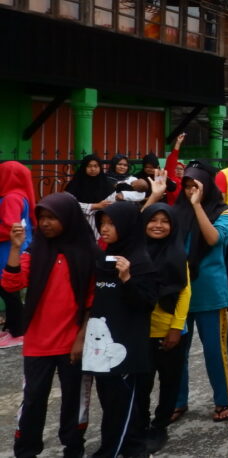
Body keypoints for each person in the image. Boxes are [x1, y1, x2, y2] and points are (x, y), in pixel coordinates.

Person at [4, 193, 98, 458]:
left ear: (68, 218)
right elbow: (11, 284)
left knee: (74, 399)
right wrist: (15, 247)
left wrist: (81, 337)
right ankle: (26, 449)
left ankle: (73, 446)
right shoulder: (35, 252)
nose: (45, 223)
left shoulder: (87, 253)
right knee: (33, 399)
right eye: (41, 218)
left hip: (72, 342)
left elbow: (92, 300)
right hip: (37, 342)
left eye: (52, 217)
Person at [87, 201, 158, 458]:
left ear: (126, 226)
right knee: (109, 403)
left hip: (125, 349)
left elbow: (146, 304)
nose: (104, 229)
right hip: (100, 346)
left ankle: (115, 450)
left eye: (111, 224)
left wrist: (127, 280)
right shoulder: (105, 257)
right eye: (102, 223)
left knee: (124, 406)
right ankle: (128, 449)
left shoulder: (140, 261)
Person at [173, 165, 228, 423]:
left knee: (215, 350)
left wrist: (197, 206)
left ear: (206, 186)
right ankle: (177, 401)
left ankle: (223, 400)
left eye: (195, 186)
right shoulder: (176, 212)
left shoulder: (225, 212)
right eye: (186, 186)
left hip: (210, 293)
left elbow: (213, 239)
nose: (190, 191)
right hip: (177, 292)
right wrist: (154, 199)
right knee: (176, 351)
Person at [136, 181, 191, 453]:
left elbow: (184, 293)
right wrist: (155, 196)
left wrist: (175, 329)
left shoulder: (178, 254)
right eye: (152, 220)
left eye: (164, 221)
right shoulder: (135, 254)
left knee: (169, 382)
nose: (158, 225)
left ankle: (159, 427)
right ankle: (141, 425)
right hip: (139, 331)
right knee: (141, 383)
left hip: (168, 331)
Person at [0, 161, 35, 349]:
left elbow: (11, 228)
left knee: (9, 290)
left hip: (9, 249)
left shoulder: (11, 198)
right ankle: (13, 327)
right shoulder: (17, 195)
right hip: (11, 247)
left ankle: (17, 331)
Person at [66, 154, 116, 235]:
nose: (92, 169)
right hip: (78, 223)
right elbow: (69, 204)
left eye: (96, 166)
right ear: (84, 167)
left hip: (100, 226)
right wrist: (94, 206)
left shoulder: (107, 185)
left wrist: (97, 208)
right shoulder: (74, 185)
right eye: (89, 166)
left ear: (100, 167)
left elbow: (109, 204)